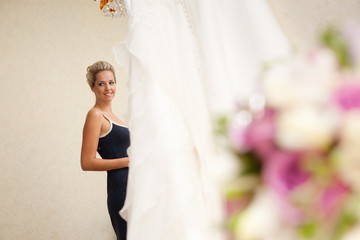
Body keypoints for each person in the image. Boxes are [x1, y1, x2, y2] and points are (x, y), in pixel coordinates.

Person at [81, 61, 129, 240]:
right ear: (92, 87)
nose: (108, 88)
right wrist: (129, 161)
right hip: (121, 188)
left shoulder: (117, 117)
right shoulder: (95, 115)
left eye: (111, 82)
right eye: (101, 84)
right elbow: (87, 162)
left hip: (135, 185)